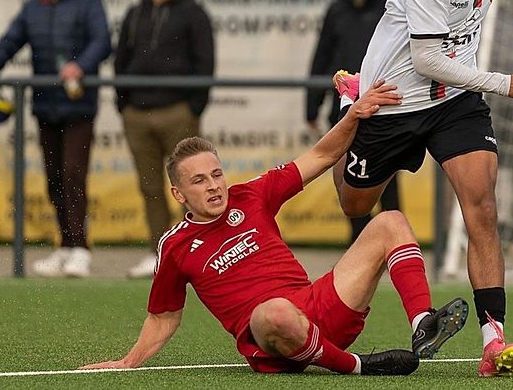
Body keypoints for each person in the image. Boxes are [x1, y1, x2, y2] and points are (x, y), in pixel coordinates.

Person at [80, 81, 470, 376]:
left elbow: (320, 155)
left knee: (390, 221)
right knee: (272, 312)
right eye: (199, 181)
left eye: (216, 174)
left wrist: (352, 116)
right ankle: (357, 366)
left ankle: (423, 324)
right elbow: (164, 316)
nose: (214, 185)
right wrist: (127, 363)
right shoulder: (176, 245)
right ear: (178, 194)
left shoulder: (251, 195)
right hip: (271, 339)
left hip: (320, 308)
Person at [331, 0, 513, 377]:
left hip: (454, 101)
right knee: (354, 202)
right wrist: (502, 82)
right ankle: (351, 98)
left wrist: (475, 83)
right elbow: (426, 60)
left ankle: (494, 341)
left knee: (482, 208)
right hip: (395, 102)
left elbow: (450, 55)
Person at [0, 0, 111, 278]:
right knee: (54, 179)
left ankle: (80, 249)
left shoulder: (89, 1)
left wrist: (81, 66)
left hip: (79, 106)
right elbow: (10, 40)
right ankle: (65, 247)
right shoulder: (35, 5)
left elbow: (103, 41)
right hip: (45, 107)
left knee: (74, 173)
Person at [115, 0, 215, 278]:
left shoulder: (194, 13)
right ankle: (158, 252)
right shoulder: (134, 14)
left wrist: (193, 108)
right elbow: (120, 61)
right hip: (137, 114)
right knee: (150, 187)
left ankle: (197, 253)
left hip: (178, 113)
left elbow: (206, 63)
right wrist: (124, 104)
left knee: (191, 187)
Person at [306, 0, 401, 244]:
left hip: (386, 103)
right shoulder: (338, 7)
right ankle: (361, 250)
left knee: (388, 179)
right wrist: (311, 106)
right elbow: (322, 57)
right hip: (346, 107)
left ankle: (395, 247)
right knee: (349, 178)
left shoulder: (394, 4)